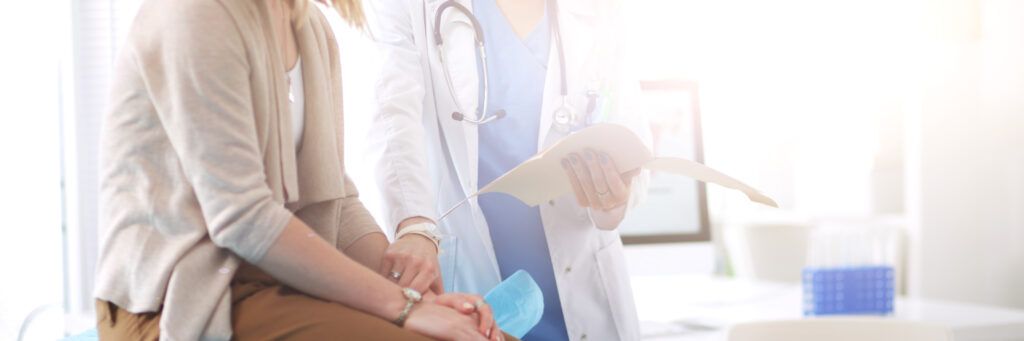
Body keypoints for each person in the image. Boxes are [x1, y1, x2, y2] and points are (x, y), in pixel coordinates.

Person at [93, 0, 505, 340]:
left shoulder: (309, 28)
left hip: (275, 285)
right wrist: (403, 307)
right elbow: (243, 217)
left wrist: (416, 295)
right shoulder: (198, 13)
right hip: (182, 299)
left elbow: (334, 199)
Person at [368, 0, 651, 339]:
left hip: (582, 283)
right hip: (473, 276)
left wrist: (613, 198)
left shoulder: (599, 10)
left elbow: (631, 137)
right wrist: (413, 223)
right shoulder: (408, 7)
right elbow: (391, 114)